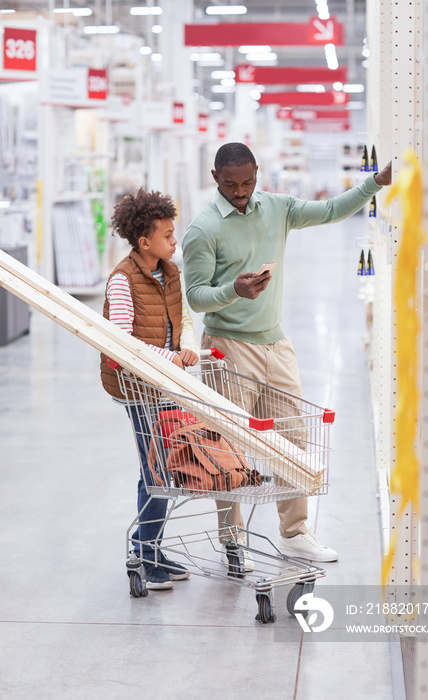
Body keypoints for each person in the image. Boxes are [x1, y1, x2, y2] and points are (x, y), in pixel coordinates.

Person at [182, 142, 392, 567]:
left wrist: (375, 183)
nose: (239, 191)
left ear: (258, 173)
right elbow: (196, 297)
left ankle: (295, 531)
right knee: (229, 448)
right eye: (230, 184)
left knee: (294, 437)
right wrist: (233, 291)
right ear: (214, 179)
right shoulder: (203, 230)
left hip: (275, 343)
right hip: (228, 347)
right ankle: (231, 539)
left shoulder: (277, 207)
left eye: (247, 182)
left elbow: (331, 210)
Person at [100, 188, 199, 590]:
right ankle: (144, 553)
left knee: (158, 468)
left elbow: (184, 317)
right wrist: (167, 357)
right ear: (145, 242)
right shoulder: (123, 281)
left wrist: (187, 347)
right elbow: (123, 343)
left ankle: (149, 547)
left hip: (162, 381)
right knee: (156, 469)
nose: (176, 241)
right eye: (169, 235)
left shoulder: (170, 273)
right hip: (136, 386)